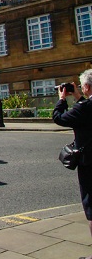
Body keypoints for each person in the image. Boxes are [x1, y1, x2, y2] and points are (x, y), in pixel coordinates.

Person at [52, 69, 92, 249]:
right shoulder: (84, 106)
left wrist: (62, 99)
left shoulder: (83, 108)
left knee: (91, 205)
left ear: (86, 87)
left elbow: (59, 118)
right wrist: (78, 98)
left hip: (89, 162)